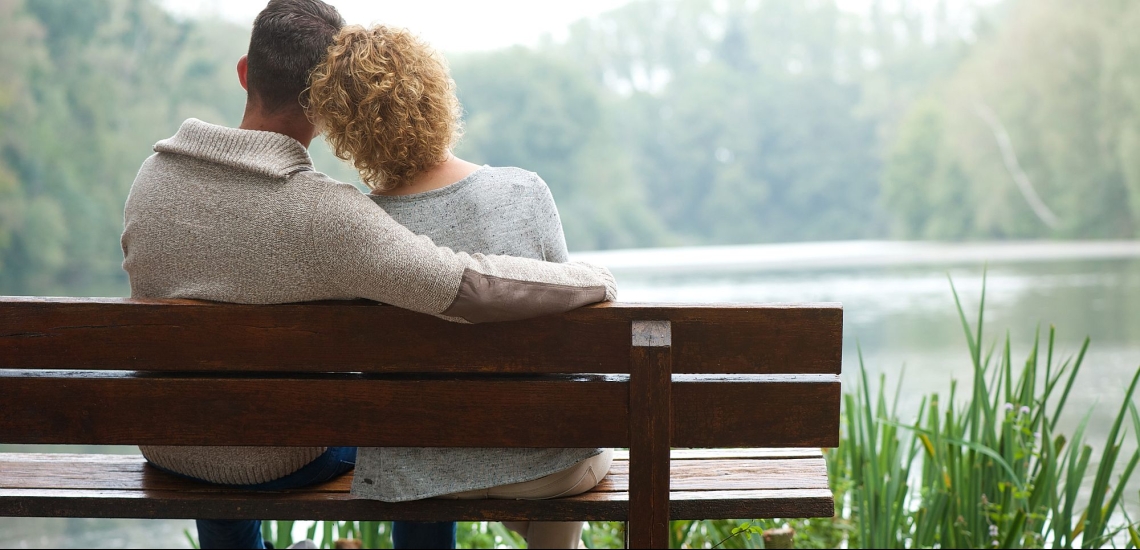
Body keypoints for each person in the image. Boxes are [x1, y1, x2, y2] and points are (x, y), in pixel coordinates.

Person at [118, 1, 617, 548]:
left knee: (213, 417)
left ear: (244, 72)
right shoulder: (327, 214)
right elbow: (466, 287)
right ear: (328, 104)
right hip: (284, 456)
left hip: (168, 441)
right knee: (408, 424)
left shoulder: (152, 179)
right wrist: (593, 280)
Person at [306, 24, 613, 549]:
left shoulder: (360, 226)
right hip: (544, 466)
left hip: (417, 474)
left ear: (344, 128)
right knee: (572, 453)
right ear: (435, 94)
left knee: (437, 462)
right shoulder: (523, 190)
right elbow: (575, 336)